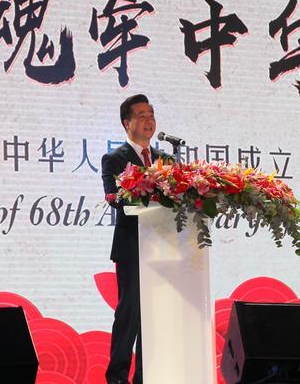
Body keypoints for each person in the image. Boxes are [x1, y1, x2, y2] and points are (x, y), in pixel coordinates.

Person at [101, 94, 168, 384]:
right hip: (132, 248)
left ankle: (145, 376)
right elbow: (115, 198)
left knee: (154, 317)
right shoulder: (115, 159)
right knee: (129, 314)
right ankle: (117, 377)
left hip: (164, 249)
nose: (148, 120)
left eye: (151, 114)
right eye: (141, 115)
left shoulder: (166, 160)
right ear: (126, 123)